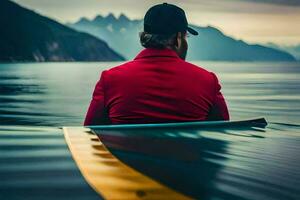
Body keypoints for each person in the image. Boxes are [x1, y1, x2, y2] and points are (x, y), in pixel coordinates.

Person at [84, 3, 229, 125]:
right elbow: (223, 134)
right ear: (178, 38)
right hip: (186, 158)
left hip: (126, 159)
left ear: (144, 37)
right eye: (186, 37)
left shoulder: (109, 79)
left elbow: (89, 135)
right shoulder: (208, 81)